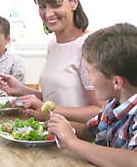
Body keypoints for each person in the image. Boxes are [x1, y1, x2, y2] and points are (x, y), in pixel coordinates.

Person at [0, 0, 103, 123]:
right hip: (51, 135)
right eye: (42, 7)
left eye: (56, 5)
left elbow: (100, 111)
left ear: (74, 2)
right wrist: (22, 90)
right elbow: (57, 100)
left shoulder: (89, 46)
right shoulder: (53, 45)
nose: (48, 14)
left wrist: (48, 110)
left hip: (78, 140)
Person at [48, 23, 137, 166]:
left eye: (89, 72)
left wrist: (72, 142)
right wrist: (60, 126)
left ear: (117, 83)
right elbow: (89, 131)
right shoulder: (113, 104)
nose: (88, 78)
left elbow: (133, 161)